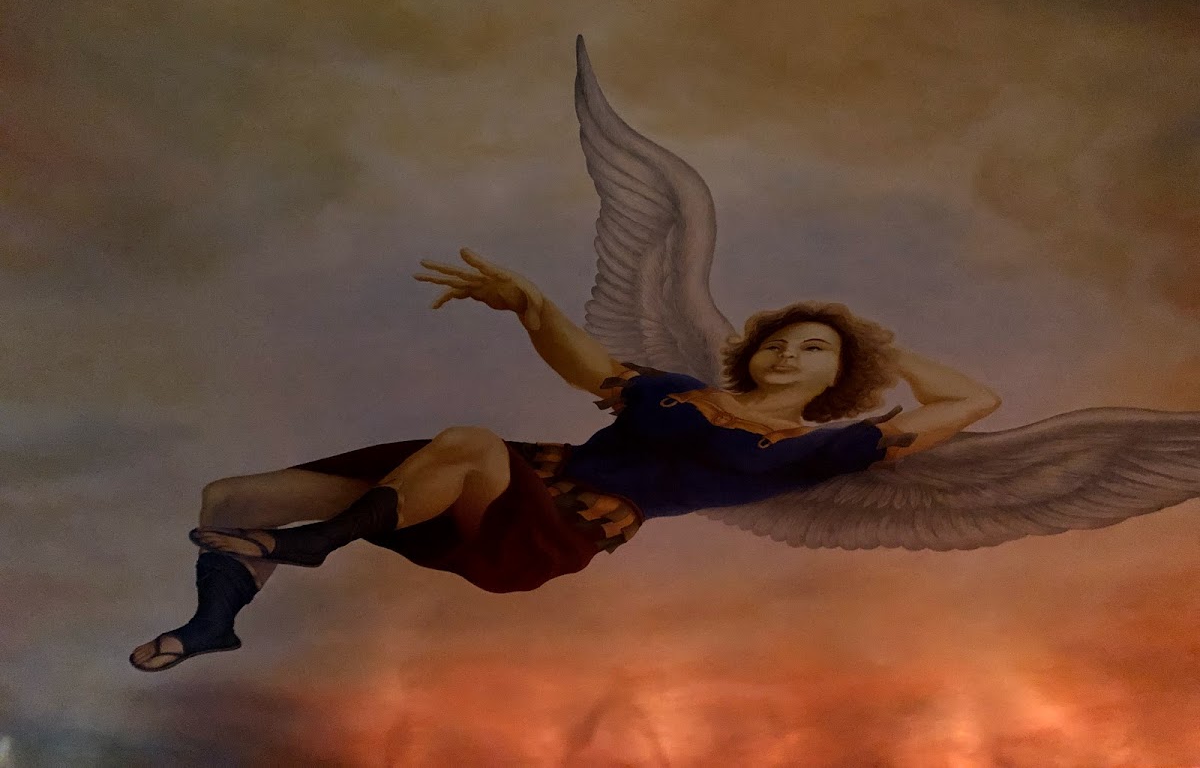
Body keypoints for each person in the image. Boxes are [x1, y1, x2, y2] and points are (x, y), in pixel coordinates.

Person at [129, 249, 999, 671]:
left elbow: (971, 403)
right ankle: (212, 626)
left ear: (839, 376)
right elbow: (591, 368)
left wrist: (878, 345)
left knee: (469, 441)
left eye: (814, 350)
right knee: (233, 496)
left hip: (547, 530)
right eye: (778, 341)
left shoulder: (823, 447)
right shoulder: (681, 392)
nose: (786, 355)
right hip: (494, 476)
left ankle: (315, 544)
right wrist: (530, 305)